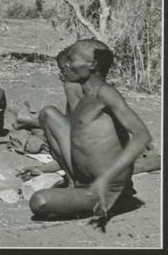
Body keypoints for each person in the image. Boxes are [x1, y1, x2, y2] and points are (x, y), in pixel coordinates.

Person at [29, 39, 152, 221]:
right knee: (48, 114)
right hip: (82, 178)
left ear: (92, 65)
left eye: (72, 59)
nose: (66, 64)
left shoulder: (105, 93)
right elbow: (78, 135)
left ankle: (119, 199)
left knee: (39, 201)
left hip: (106, 186)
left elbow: (142, 136)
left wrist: (108, 178)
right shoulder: (84, 94)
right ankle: (73, 184)